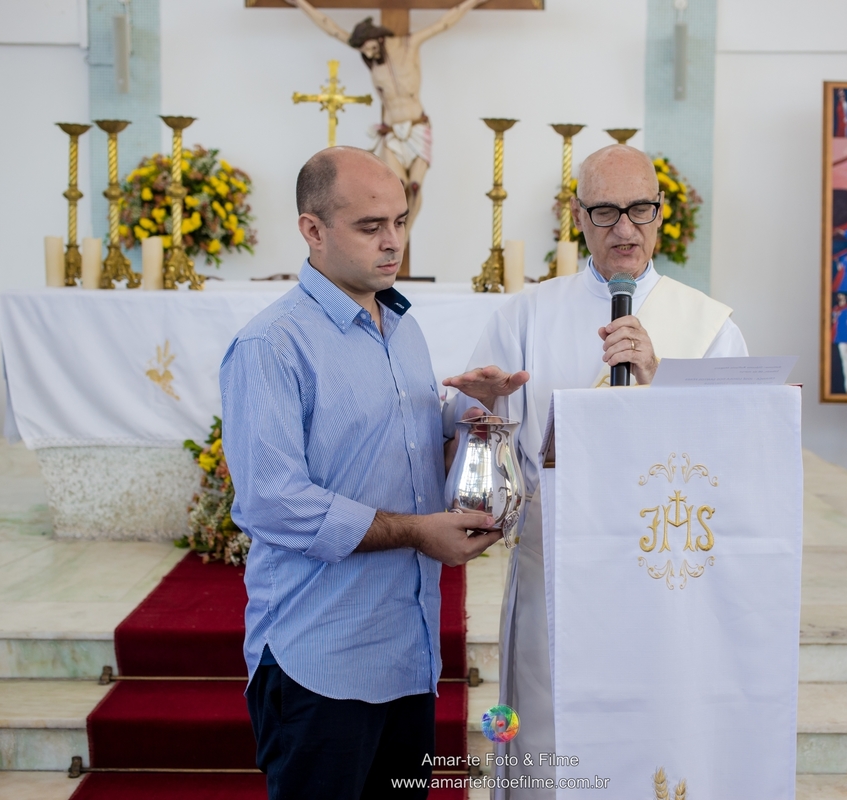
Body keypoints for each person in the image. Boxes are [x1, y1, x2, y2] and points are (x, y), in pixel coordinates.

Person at [442, 145, 747, 798]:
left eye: (640, 209)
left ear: (662, 215)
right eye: (605, 211)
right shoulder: (526, 315)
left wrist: (662, 381)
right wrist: (481, 405)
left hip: (669, 572)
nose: (625, 229)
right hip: (555, 566)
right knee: (549, 739)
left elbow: (740, 457)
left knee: (655, 736)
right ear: (577, 217)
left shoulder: (710, 325)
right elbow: (472, 432)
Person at [220, 147, 500, 800]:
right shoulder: (272, 346)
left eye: (400, 222)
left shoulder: (402, 327)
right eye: (371, 226)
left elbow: (410, 451)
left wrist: (472, 417)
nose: (393, 242)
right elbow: (273, 503)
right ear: (312, 231)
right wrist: (414, 532)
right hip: (318, 660)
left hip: (405, 653)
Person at [289, 0, 486, 236]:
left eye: (371, 48)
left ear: (380, 39)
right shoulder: (369, 51)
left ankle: (405, 236)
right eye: (364, 52)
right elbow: (331, 27)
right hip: (392, 132)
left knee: (415, 188)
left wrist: (473, 2)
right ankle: (398, 236)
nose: (368, 54)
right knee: (397, 188)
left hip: (417, 129)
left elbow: (444, 23)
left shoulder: (408, 44)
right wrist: (301, 2)